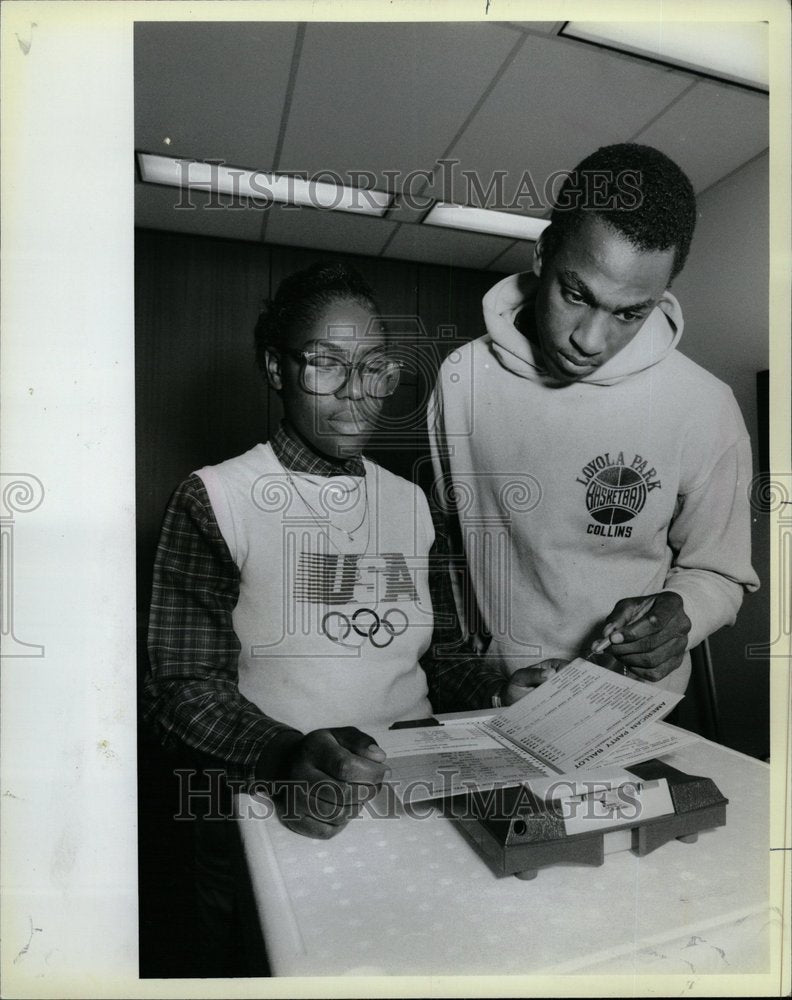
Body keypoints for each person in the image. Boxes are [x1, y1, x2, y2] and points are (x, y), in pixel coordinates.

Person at [143, 261, 546, 846]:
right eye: (326, 363)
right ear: (276, 368)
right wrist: (283, 754)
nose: (356, 390)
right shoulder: (214, 499)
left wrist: (496, 690)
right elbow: (179, 689)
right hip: (281, 798)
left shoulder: (412, 503)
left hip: (418, 788)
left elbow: (445, 658)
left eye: (374, 367)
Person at [428, 143, 759, 694]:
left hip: (632, 706)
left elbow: (721, 572)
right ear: (543, 255)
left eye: (630, 312)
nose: (590, 340)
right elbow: (450, 546)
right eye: (576, 294)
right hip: (494, 697)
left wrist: (683, 610)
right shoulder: (462, 377)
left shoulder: (705, 406)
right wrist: (477, 675)